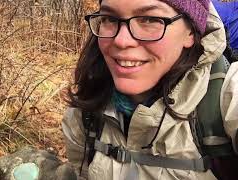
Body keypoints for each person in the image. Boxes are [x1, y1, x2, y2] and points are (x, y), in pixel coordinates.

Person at [62, 0, 238, 179]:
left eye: (149, 19)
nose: (121, 41)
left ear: (191, 30)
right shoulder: (85, 111)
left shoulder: (227, 97)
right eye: (109, 18)